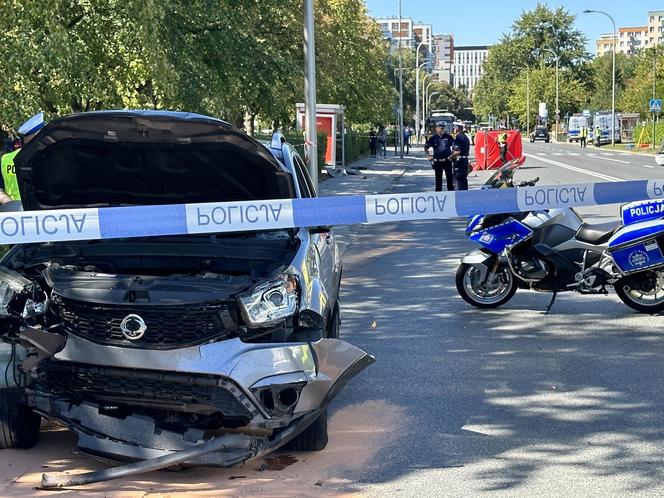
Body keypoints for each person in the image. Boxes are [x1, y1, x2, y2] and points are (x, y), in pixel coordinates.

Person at [0, 112, 44, 204]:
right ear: (37, 135)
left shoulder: (6, 158)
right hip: (44, 212)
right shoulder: (49, 157)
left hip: (14, 213)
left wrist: (9, 203)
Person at [425, 122, 458, 192]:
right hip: (437, 162)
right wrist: (428, 156)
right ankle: (438, 197)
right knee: (438, 182)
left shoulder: (448, 137)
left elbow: (455, 147)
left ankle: (451, 197)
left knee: (450, 181)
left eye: (443, 128)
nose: (442, 130)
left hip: (447, 161)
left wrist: (452, 155)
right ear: (436, 129)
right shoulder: (433, 138)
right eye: (440, 128)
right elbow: (426, 147)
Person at [452, 122, 470, 190]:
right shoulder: (464, 137)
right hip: (464, 160)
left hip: (459, 161)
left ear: (458, 129)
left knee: (458, 179)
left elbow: (457, 151)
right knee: (463, 179)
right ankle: (464, 193)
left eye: (455, 128)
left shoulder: (459, 137)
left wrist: (449, 157)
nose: (454, 129)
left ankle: (459, 194)